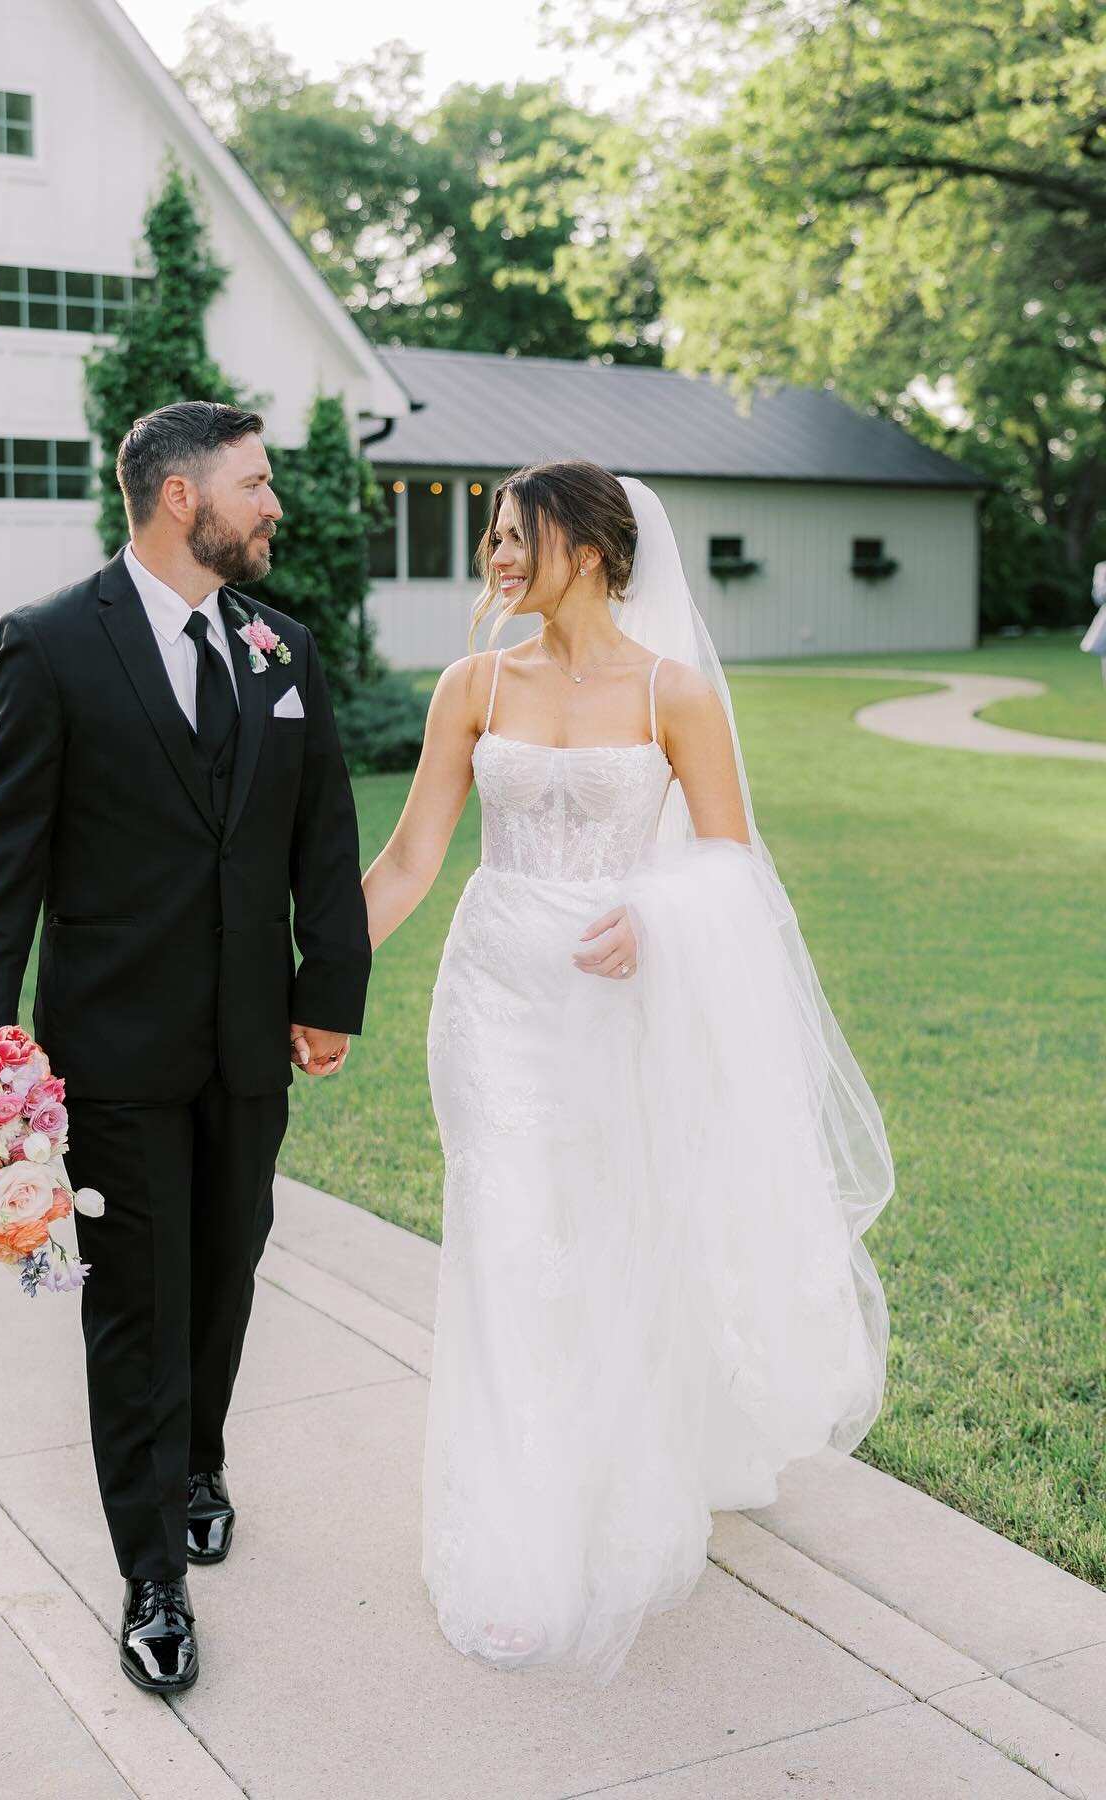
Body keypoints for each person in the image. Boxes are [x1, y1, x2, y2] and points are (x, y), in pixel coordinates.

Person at [363, 461, 892, 1681]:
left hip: (620, 1006)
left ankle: (622, 1487)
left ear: (592, 550)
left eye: (514, 536)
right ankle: (513, 1544)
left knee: (609, 1246)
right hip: (493, 1001)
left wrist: (656, 914)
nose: (494, 556)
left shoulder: (674, 692)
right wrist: (309, 978)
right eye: (490, 537)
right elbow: (406, 860)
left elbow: (733, 866)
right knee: (505, 1247)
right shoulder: (473, 683)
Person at [0, 400, 369, 1695]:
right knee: (135, 1311)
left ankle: (199, 1460)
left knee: (226, 1274)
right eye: (255, 485)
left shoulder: (282, 649)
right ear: (183, 500)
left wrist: (332, 989)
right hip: (114, 1055)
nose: (274, 507)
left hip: (250, 1044)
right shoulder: (50, 647)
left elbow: (322, 834)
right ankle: (152, 1576)